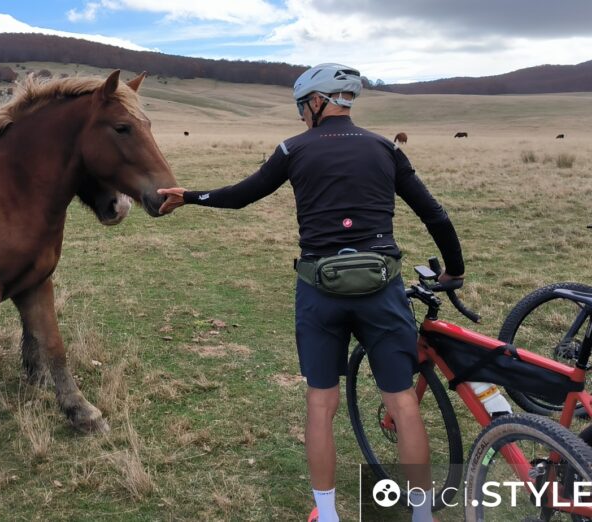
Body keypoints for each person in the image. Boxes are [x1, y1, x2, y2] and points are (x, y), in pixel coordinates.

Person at [157, 63, 464, 522]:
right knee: (402, 402)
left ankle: (327, 512)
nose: (301, 116)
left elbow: (243, 196)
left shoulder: (293, 149)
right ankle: (422, 515)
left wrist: (190, 196)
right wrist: (453, 272)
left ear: (317, 102)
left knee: (321, 403)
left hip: (320, 290)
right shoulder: (384, 148)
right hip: (382, 289)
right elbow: (435, 215)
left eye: (302, 107)